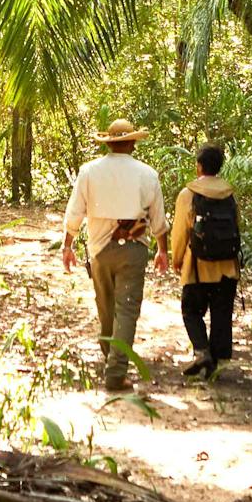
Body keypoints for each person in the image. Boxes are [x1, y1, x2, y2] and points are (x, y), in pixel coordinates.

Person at [61, 118, 166, 392]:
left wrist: (68, 245)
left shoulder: (89, 171)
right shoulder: (147, 174)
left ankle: (113, 362)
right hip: (133, 249)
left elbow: (75, 212)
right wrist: (162, 250)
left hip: (99, 249)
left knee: (106, 308)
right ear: (132, 143)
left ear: (108, 143)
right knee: (127, 310)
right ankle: (116, 371)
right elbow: (158, 218)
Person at [167, 143, 241, 382]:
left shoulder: (188, 194)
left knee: (191, 311)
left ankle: (202, 353)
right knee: (221, 314)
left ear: (199, 166)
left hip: (197, 265)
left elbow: (180, 232)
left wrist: (176, 258)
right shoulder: (229, 193)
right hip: (227, 267)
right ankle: (216, 362)